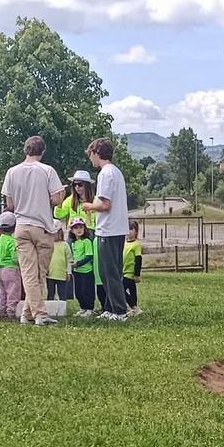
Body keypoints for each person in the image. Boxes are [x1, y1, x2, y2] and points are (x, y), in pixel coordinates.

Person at [0, 136, 66, 326]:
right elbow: (56, 199)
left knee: (29, 274)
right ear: (42, 151)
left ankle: (27, 314)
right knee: (39, 274)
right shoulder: (47, 171)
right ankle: (39, 314)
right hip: (42, 226)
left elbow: (10, 204)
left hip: (21, 226)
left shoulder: (12, 172)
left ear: (25, 150)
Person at [87, 136, 131, 320]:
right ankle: (110, 307)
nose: (90, 158)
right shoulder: (116, 172)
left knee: (110, 272)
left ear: (97, 153)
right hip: (117, 228)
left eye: (91, 154)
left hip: (109, 229)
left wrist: (89, 206)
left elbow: (105, 205)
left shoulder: (105, 173)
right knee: (107, 271)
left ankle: (119, 310)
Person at [0, 212, 21, 320]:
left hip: (1, 270)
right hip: (11, 270)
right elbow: (15, 258)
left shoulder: (0, 240)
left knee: (2, 292)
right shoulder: (13, 242)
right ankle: (11, 313)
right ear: (14, 227)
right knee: (13, 292)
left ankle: (1, 311)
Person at [68, 217, 98, 315]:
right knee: (79, 291)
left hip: (87, 271)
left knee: (87, 290)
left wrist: (78, 263)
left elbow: (89, 256)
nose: (79, 230)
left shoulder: (87, 241)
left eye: (81, 227)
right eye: (76, 228)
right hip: (77, 272)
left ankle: (89, 308)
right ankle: (83, 307)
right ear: (72, 230)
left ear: (85, 228)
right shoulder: (73, 243)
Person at [122, 221, 143, 314]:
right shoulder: (124, 243)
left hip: (130, 272)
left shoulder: (136, 244)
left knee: (121, 289)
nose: (129, 231)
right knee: (132, 290)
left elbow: (138, 259)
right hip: (123, 271)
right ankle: (135, 308)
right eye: (127, 229)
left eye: (131, 229)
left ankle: (133, 306)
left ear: (136, 231)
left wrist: (136, 274)